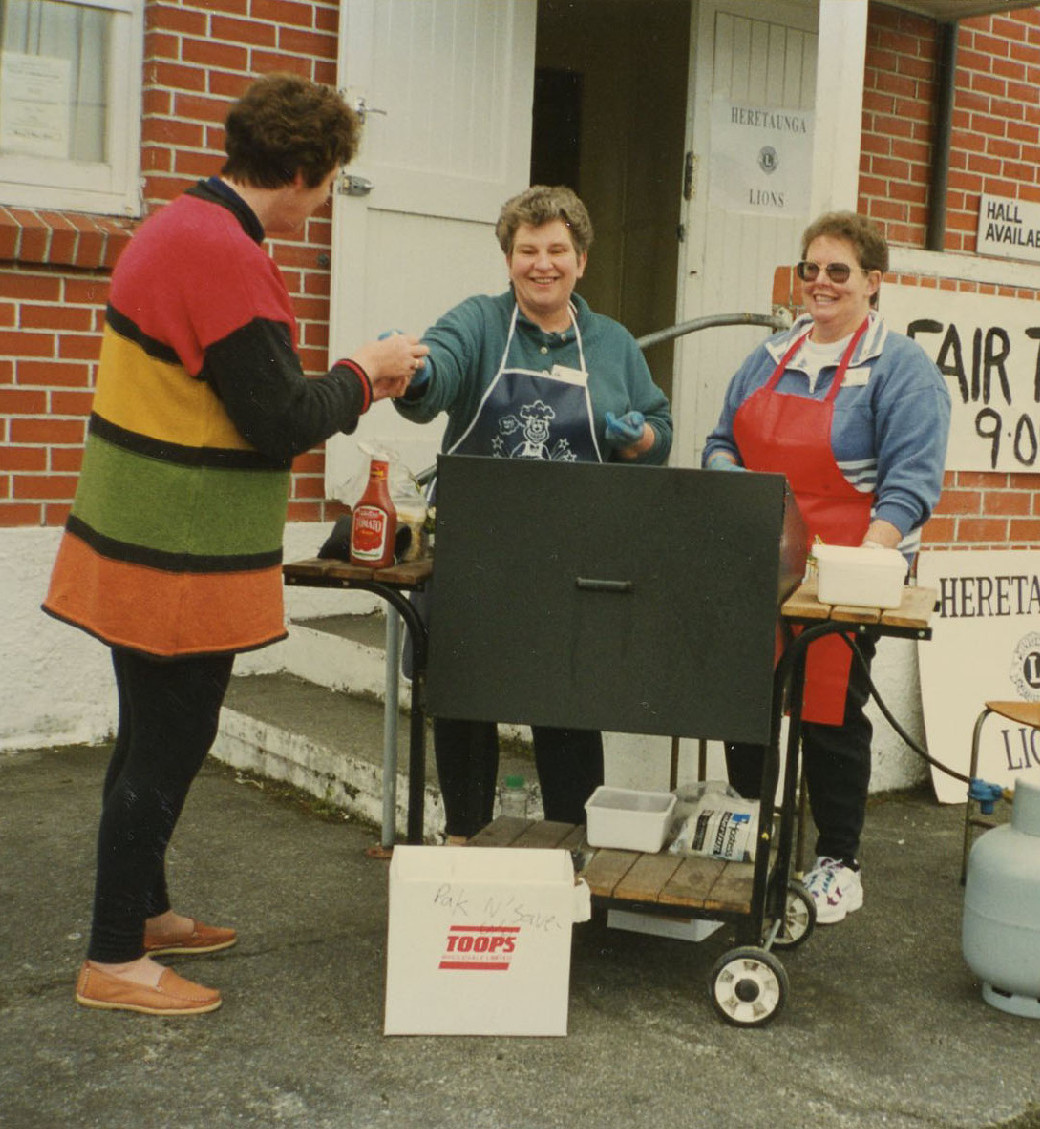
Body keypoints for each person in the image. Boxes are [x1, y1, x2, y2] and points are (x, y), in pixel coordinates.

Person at [42, 74, 428, 1016]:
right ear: (300, 171)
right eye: (331, 179)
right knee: (167, 748)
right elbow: (277, 417)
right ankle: (111, 960)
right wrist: (366, 373)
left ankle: (145, 910)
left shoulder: (184, 225)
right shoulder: (221, 251)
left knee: (147, 731)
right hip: (174, 548)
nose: (329, 196)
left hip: (140, 532)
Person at [396, 185, 672, 841]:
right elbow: (437, 368)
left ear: (580, 260)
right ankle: (463, 834)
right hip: (479, 550)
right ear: (508, 257)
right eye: (527, 250)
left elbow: (658, 429)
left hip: (573, 552)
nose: (541, 263)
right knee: (464, 698)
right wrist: (414, 372)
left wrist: (640, 439)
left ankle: (571, 843)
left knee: (568, 706)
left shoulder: (612, 345)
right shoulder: (479, 323)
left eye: (556, 249)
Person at [703, 210, 950, 924]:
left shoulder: (900, 369)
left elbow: (909, 485)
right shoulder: (769, 356)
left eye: (837, 271)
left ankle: (838, 861)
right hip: (760, 560)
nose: (820, 282)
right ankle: (753, 830)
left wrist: (861, 564)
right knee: (743, 703)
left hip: (847, 567)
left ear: (874, 282)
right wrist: (729, 487)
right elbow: (722, 441)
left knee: (829, 713)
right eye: (810, 269)